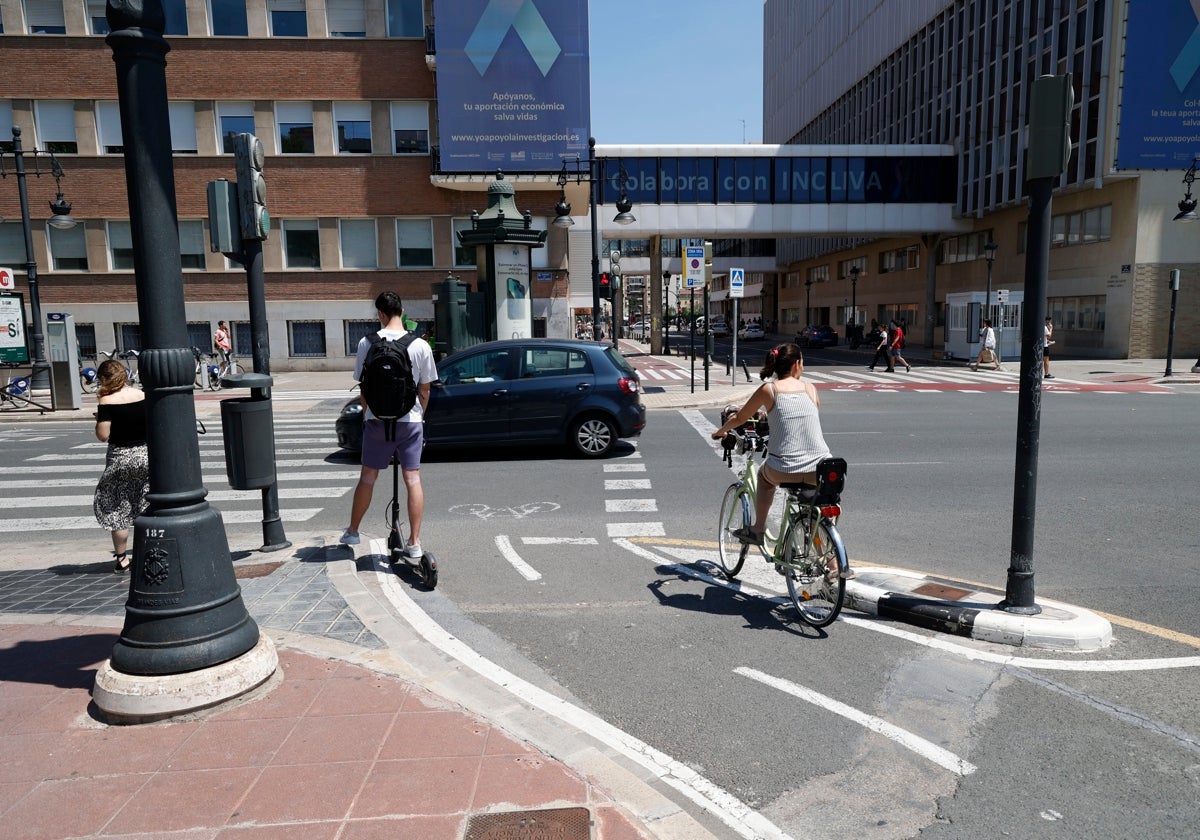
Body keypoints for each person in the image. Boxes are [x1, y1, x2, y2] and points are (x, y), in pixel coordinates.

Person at [711, 343, 846, 580]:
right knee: (813, 513)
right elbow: (799, 416)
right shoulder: (811, 389)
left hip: (785, 469)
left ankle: (758, 529)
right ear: (797, 365)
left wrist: (720, 431)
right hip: (821, 468)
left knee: (764, 478)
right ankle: (833, 567)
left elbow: (741, 416)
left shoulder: (769, 390)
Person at [340, 292, 438, 554]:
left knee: (368, 478)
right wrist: (420, 416)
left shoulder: (366, 342)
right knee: (413, 479)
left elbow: (364, 387)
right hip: (410, 421)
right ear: (401, 310)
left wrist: (367, 414)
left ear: (380, 314)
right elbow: (425, 390)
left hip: (377, 421)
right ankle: (415, 543)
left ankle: (352, 532)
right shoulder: (420, 345)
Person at [92, 359, 148, 573]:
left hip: (120, 458)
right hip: (145, 455)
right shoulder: (142, 395)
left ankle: (122, 559)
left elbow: (103, 435)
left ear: (104, 379)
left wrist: (99, 419)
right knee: (145, 504)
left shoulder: (107, 401)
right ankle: (148, 551)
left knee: (118, 509)